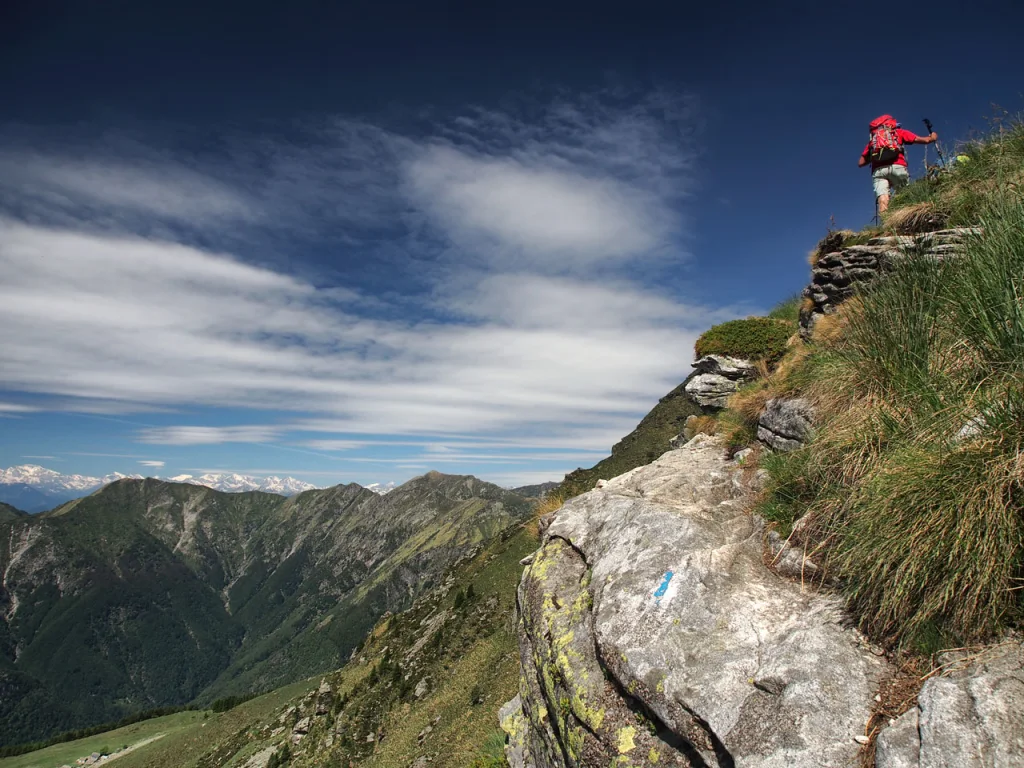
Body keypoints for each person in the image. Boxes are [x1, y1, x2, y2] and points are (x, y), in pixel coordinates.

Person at [858, 115, 937, 214]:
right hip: (898, 166)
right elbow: (925, 140)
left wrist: (876, 155)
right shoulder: (898, 132)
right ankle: (904, 218)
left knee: (883, 197)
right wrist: (932, 137)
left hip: (878, 171)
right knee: (904, 194)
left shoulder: (872, 141)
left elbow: (860, 163)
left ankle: (887, 224)